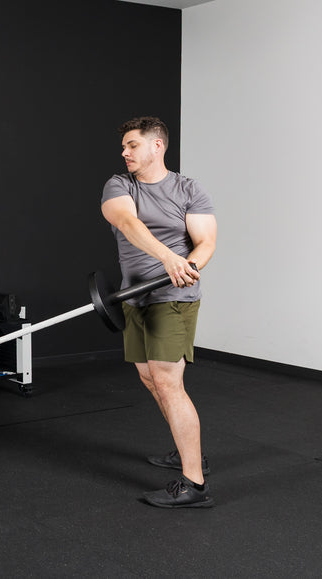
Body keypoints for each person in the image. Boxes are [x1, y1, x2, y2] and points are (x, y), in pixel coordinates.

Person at [101, 116, 217, 508]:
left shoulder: (188, 189)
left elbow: (205, 241)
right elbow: (127, 223)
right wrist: (168, 256)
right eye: (124, 147)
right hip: (133, 297)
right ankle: (187, 449)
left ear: (157, 146)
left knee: (169, 382)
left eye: (132, 145)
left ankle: (194, 484)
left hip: (174, 298)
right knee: (150, 378)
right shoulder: (120, 185)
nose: (125, 153)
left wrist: (189, 266)